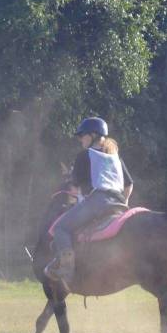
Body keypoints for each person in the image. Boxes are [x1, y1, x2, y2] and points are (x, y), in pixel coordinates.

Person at [45, 116, 134, 283]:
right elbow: (129, 186)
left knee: (61, 228)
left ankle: (66, 269)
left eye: (82, 135)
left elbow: (75, 187)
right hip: (120, 205)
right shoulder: (116, 157)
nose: (80, 139)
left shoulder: (84, 155)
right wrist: (125, 203)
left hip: (97, 203)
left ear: (93, 135)